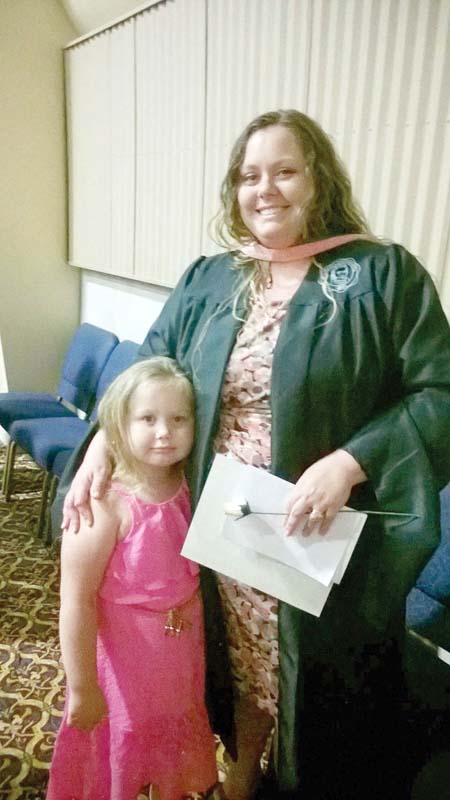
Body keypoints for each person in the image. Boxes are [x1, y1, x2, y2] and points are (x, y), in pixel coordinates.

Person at [57, 110, 450, 800]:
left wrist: (353, 460)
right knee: (239, 666)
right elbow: (147, 366)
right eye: (248, 175)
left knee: (319, 686)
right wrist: (99, 449)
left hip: (320, 537)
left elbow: (440, 390)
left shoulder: (382, 275)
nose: (264, 188)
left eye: (284, 170)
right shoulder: (212, 280)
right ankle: (241, 774)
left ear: (317, 179)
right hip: (222, 526)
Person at [47, 357, 218, 800]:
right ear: (119, 424)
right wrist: (82, 686)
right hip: (124, 664)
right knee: (119, 746)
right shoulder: (103, 503)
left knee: (170, 742)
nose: (165, 431)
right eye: (148, 418)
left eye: (179, 418)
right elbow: (76, 601)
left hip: (181, 657)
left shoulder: (192, 485)